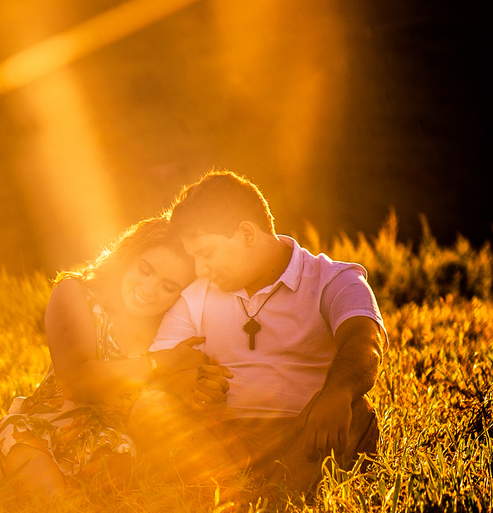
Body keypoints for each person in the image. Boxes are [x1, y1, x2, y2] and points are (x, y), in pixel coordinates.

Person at [131, 171, 385, 496]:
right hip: (221, 440)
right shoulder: (195, 295)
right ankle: (239, 492)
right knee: (150, 409)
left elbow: (364, 342)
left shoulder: (334, 279)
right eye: (194, 258)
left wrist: (337, 394)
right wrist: (185, 384)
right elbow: (163, 369)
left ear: (247, 234)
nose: (199, 269)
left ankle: (272, 498)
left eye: (206, 253)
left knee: (357, 413)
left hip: (305, 429)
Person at [0, 217, 218, 498]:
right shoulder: (76, 293)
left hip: (110, 449)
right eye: (145, 270)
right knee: (15, 431)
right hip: (41, 436)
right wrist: (159, 362)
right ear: (128, 258)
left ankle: (82, 512)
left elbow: (181, 390)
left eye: (168, 286)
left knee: (118, 449)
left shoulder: (172, 328)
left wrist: (206, 385)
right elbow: (77, 380)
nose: (149, 289)